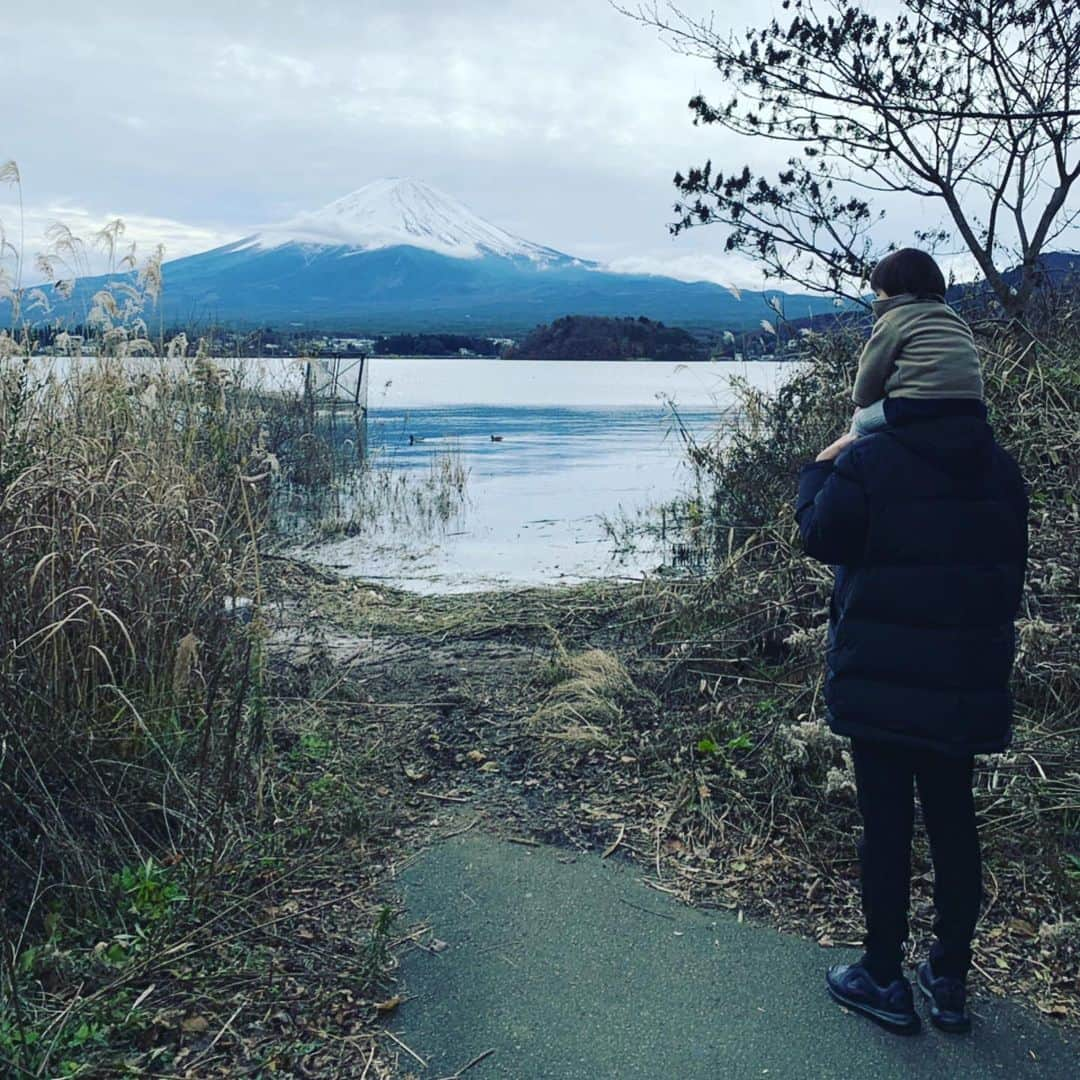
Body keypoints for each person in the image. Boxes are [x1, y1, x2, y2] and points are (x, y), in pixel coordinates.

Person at [795, 315, 1029, 1034]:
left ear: (896, 374)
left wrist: (822, 463)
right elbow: (1004, 574)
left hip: (882, 679)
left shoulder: (871, 460)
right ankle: (950, 978)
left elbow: (818, 535)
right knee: (955, 822)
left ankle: (883, 976)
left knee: (887, 825)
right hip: (964, 680)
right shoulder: (1001, 468)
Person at [849, 248, 984, 438]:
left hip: (917, 405)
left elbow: (870, 373)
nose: (876, 300)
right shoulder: (952, 318)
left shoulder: (893, 320)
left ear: (895, 292)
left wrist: (862, 403)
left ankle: (845, 463)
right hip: (970, 406)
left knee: (861, 422)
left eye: (878, 294)